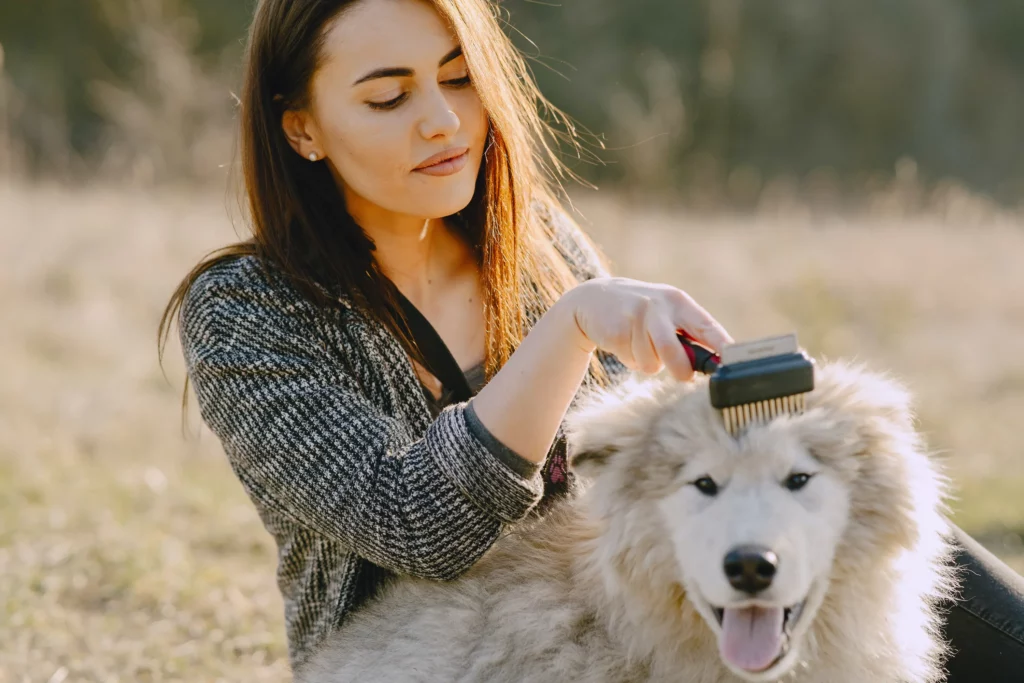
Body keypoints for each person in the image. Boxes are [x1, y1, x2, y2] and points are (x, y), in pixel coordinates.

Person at [158, 0, 1024, 679]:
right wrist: (571, 326)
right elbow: (415, 523)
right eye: (389, 96)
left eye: (459, 79)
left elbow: (637, 468)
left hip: (624, 602)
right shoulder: (248, 310)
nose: (443, 122)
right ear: (300, 126)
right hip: (435, 652)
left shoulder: (530, 242)